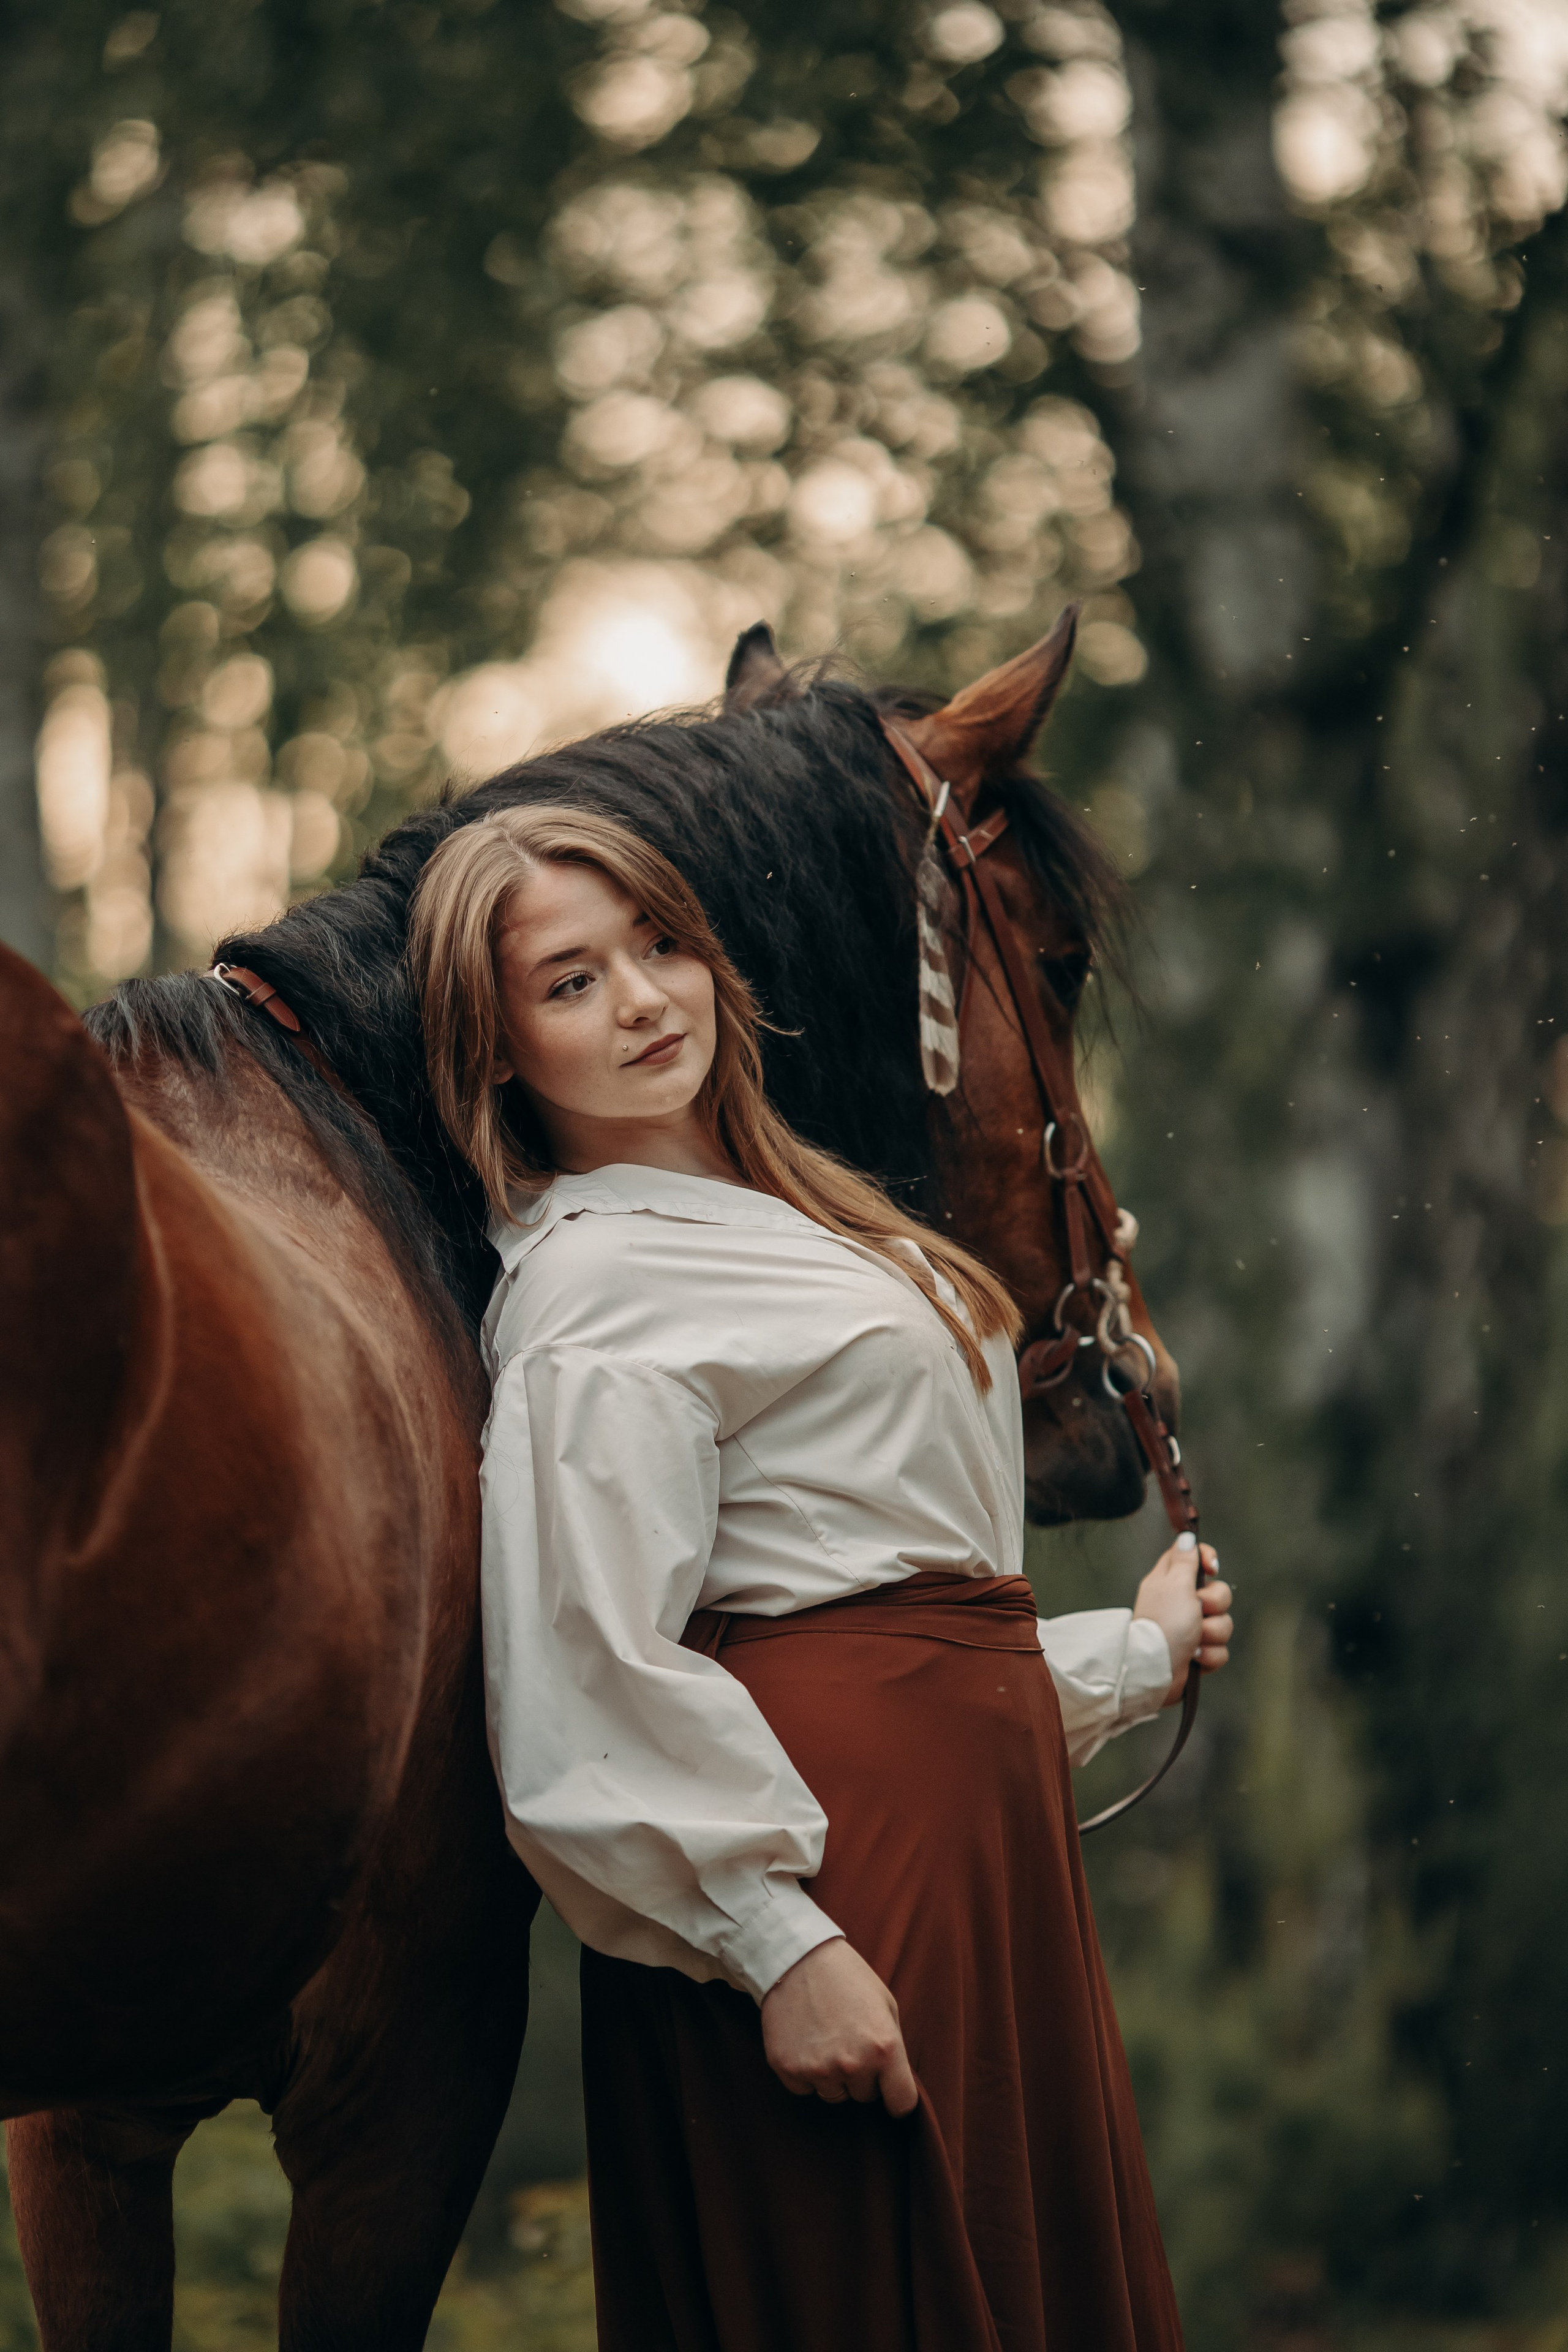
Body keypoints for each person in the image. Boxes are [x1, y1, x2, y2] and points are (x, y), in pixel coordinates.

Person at [409, 803, 1233, 2351]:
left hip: (953, 1834)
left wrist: (1126, 1655)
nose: (644, 998)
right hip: (826, 1887)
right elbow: (586, 1671)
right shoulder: (596, 1286)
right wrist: (780, 1947)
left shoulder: (808, 1219)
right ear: (498, 1046)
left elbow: (873, 1602)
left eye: (657, 942)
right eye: (571, 982)